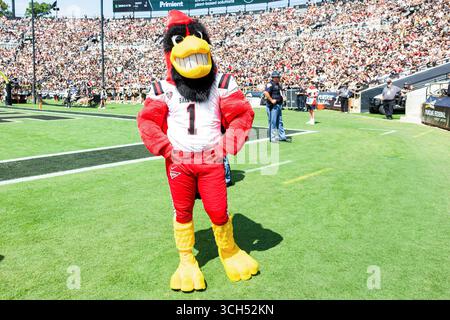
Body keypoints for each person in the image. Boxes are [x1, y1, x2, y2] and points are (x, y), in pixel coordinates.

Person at [137, 10, 258, 293]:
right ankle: (186, 259)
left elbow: (241, 115)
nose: (191, 46)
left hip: (210, 159)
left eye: (199, 38)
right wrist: (167, 149)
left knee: (218, 210)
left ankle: (228, 251)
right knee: (183, 211)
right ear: (170, 51)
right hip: (179, 160)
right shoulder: (162, 87)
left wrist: (227, 146)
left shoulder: (222, 83)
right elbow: (148, 121)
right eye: (181, 39)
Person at [263, 71, 290, 142]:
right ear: (274, 78)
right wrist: (271, 100)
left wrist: (283, 97)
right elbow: (265, 92)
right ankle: (273, 137)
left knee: (280, 121)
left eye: (279, 77)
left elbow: (281, 92)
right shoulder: (270, 84)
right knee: (273, 122)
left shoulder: (278, 84)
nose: (279, 78)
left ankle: (282, 136)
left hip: (278, 105)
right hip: (272, 106)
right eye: (278, 77)